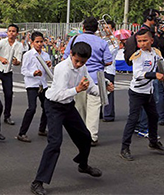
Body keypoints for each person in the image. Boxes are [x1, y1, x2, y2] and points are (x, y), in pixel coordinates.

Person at [30, 42, 109, 195]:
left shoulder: (83, 68)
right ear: (71, 54)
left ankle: (83, 165)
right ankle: (37, 182)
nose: (79, 64)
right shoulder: (62, 69)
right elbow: (59, 94)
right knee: (55, 143)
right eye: (77, 60)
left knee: (85, 137)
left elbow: (91, 87)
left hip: (68, 105)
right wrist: (77, 89)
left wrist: (104, 90)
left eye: (83, 62)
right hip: (54, 106)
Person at [120, 30, 164, 161]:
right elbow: (137, 74)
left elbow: (161, 62)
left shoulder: (155, 52)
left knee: (154, 117)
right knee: (132, 119)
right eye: (139, 41)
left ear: (151, 41)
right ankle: (124, 148)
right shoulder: (137, 56)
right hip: (137, 92)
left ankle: (153, 142)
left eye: (145, 40)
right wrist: (154, 75)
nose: (142, 43)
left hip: (149, 92)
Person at [63, 17, 113, 146]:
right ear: (97, 29)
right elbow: (108, 61)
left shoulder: (74, 39)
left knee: (80, 108)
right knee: (94, 109)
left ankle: (80, 134)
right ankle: (92, 136)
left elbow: (65, 57)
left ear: (83, 28)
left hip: (78, 79)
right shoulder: (102, 42)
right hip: (96, 78)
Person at [16, 31, 50, 143]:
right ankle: (22, 132)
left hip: (42, 84)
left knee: (47, 106)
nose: (40, 44)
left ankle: (42, 128)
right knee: (32, 108)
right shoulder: (28, 55)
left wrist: (48, 66)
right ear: (32, 42)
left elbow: (47, 71)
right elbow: (23, 70)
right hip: (32, 84)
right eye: (37, 42)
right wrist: (33, 73)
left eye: (41, 42)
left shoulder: (45, 55)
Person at [0, 24, 24, 125]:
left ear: (17, 33)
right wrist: (1, 59)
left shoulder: (19, 45)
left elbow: (18, 60)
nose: (11, 33)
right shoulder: (2, 42)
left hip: (8, 71)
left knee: (8, 94)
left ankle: (7, 115)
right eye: (9, 31)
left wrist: (16, 62)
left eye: (13, 31)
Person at [101, 20, 119, 123]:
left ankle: (109, 114)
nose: (105, 30)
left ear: (112, 29)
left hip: (109, 69)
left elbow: (108, 53)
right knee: (98, 90)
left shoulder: (114, 41)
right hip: (100, 68)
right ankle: (99, 112)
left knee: (109, 91)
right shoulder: (102, 39)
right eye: (104, 28)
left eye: (107, 28)